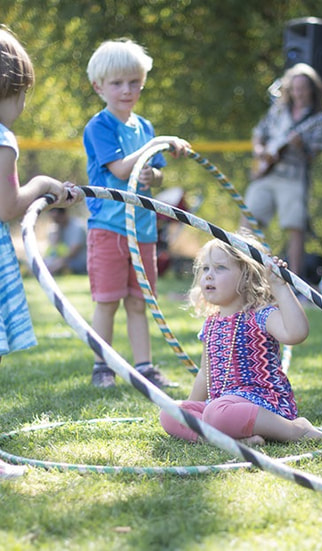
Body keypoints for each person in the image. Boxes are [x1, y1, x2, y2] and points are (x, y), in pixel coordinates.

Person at [83, 38, 190, 389]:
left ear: (142, 82)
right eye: (117, 83)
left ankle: (145, 367)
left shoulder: (144, 127)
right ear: (99, 86)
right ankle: (103, 365)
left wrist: (153, 174)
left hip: (142, 230)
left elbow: (154, 173)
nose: (127, 90)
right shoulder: (100, 126)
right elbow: (117, 170)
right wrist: (157, 145)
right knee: (108, 301)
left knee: (139, 301)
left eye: (134, 82)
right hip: (109, 228)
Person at [0, 27, 82, 478]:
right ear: (8, 89)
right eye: (23, 93)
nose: (24, 105)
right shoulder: (2, 139)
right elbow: (7, 206)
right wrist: (46, 185)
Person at [160, 234, 322, 445]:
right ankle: (235, 440)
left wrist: (280, 288)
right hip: (220, 405)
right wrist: (188, 411)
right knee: (170, 411)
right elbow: (205, 374)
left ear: (246, 276)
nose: (209, 276)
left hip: (263, 403)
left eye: (220, 268)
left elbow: (296, 333)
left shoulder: (260, 315)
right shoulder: (211, 324)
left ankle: (295, 430)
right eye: (205, 268)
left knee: (216, 413)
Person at [243, 63, 322, 278]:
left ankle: (295, 282)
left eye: (302, 88)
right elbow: (259, 133)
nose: (298, 93)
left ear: (312, 89)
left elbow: (313, 156)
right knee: (247, 222)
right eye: (294, 88)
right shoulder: (279, 110)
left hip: (293, 177)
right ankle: (243, 275)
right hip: (267, 174)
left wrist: (300, 145)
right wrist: (261, 151)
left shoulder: (319, 119)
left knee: (295, 227)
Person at [44, 207, 87, 275]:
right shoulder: (57, 229)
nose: (55, 222)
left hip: (78, 261)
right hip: (64, 260)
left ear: (63, 214)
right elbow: (53, 250)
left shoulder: (77, 226)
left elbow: (73, 252)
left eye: (56, 219)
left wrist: (57, 263)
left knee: (56, 265)